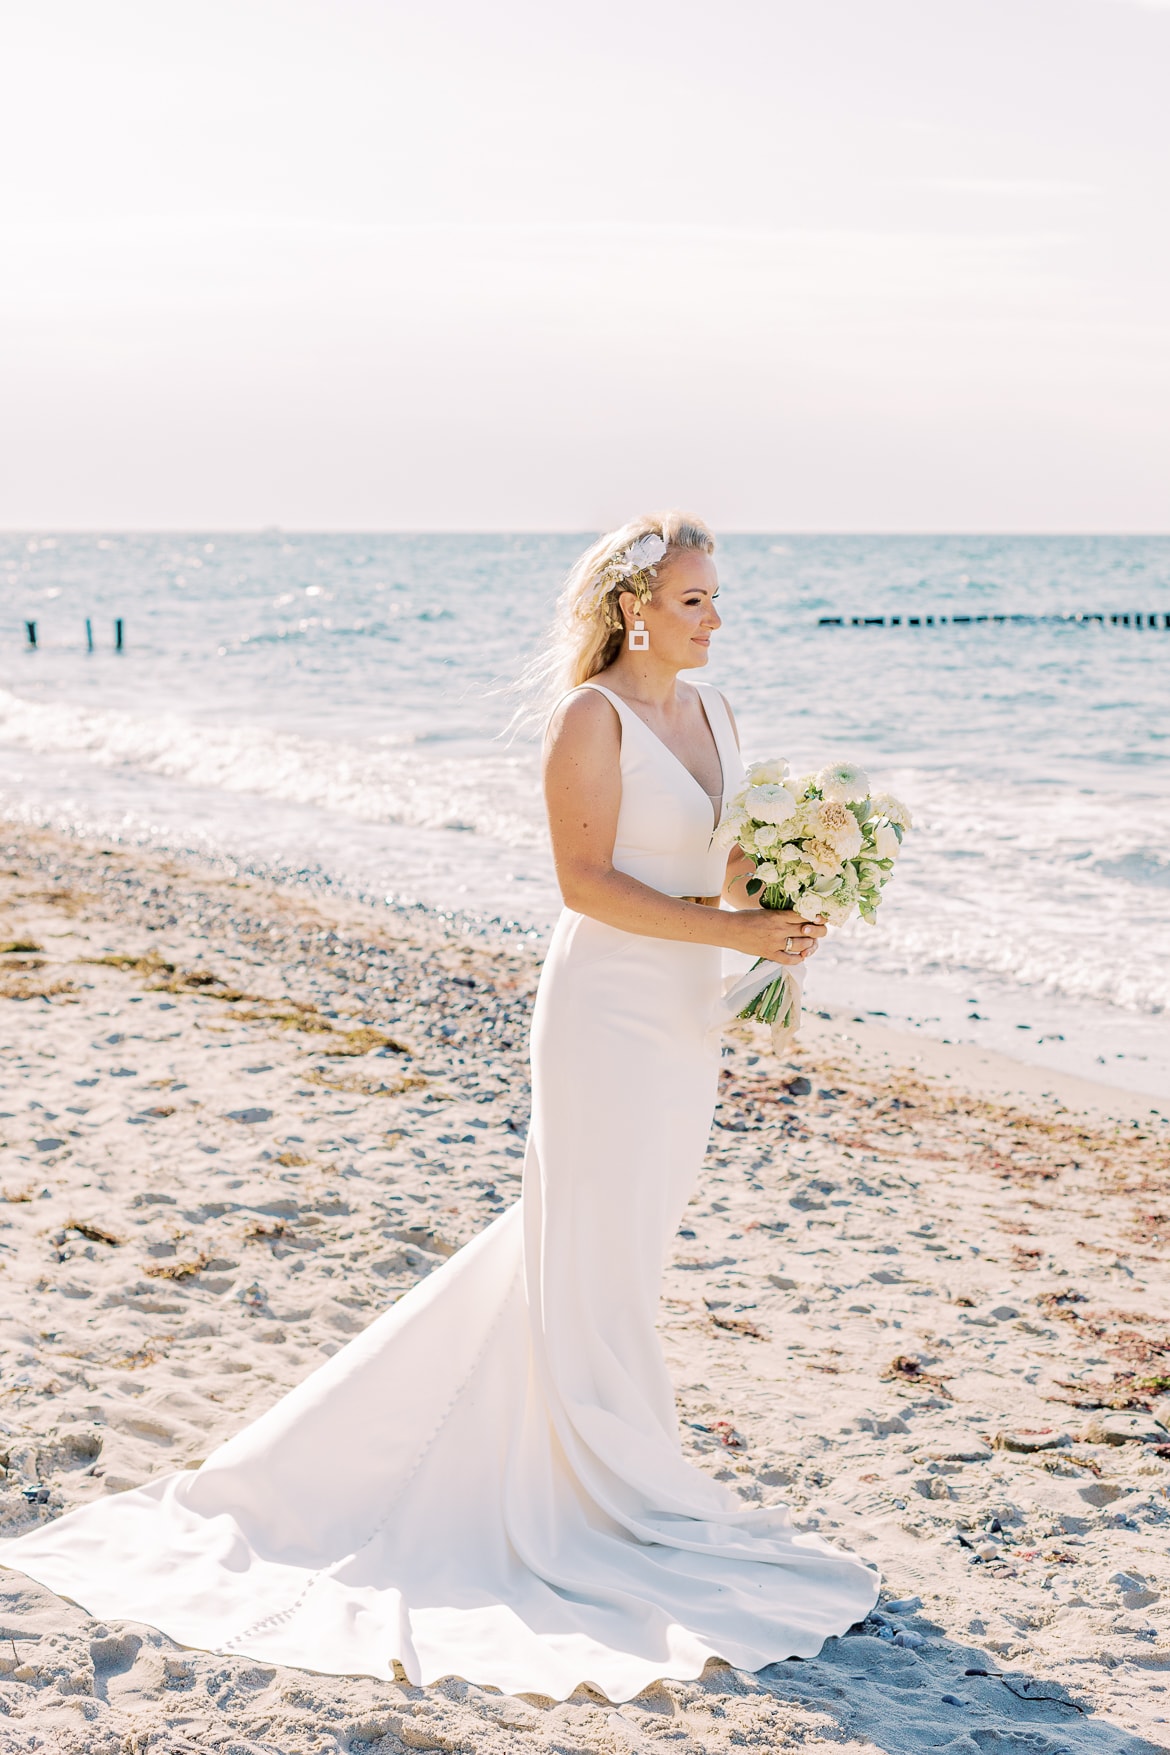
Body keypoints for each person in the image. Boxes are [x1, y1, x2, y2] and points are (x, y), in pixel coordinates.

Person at [3, 512, 879, 1702]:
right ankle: (574, 1480)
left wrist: (780, 904)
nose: (716, 617)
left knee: (621, 1244)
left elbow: (714, 865)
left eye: (716, 596)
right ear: (634, 607)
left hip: (686, 1013)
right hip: (604, 1009)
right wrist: (731, 928)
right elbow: (588, 883)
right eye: (694, 599)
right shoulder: (591, 719)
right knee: (580, 1230)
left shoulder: (722, 717)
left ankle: (611, 1455)